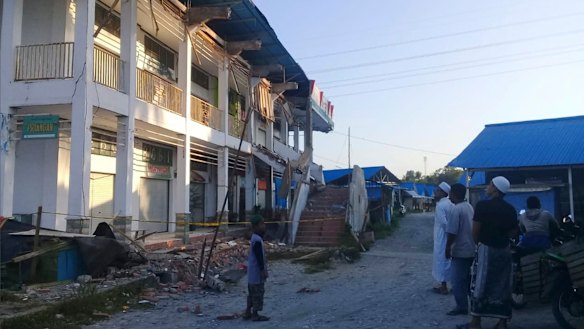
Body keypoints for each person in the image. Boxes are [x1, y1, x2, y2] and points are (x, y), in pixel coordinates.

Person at [458, 176, 518, 329]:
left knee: (480, 283)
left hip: (486, 249)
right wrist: (502, 238)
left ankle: (476, 322)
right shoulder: (510, 209)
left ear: (495, 188)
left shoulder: (482, 206)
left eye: (490, 184)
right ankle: (502, 322)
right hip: (504, 250)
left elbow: (475, 231)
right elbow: (514, 231)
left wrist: (481, 243)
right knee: (503, 284)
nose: (487, 187)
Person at [445, 183, 475, 316]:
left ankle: (462, 306)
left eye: (450, 193)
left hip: (460, 250)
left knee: (457, 281)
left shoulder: (455, 209)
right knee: (469, 279)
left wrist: (447, 247)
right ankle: (473, 305)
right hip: (471, 248)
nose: (449, 195)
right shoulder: (469, 207)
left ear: (455, 194)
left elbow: (452, 232)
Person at [243, 215, 270, 321]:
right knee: (258, 294)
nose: (264, 226)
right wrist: (263, 270)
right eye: (262, 224)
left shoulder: (254, 238)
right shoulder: (257, 240)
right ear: (256, 226)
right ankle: (255, 314)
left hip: (252, 274)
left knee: (251, 294)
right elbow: (259, 257)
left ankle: (247, 312)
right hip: (257, 273)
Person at [432, 182, 454, 295]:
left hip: (442, 236)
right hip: (450, 236)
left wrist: (449, 232)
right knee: (449, 261)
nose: (435, 192)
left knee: (441, 260)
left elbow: (444, 223)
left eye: (437, 190)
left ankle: (444, 286)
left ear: (442, 193)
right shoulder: (451, 203)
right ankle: (451, 284)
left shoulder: (440, 205)